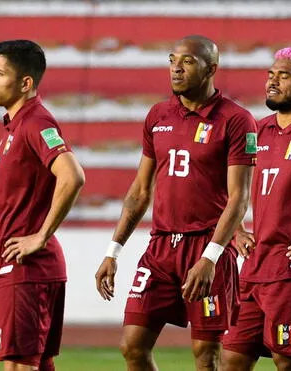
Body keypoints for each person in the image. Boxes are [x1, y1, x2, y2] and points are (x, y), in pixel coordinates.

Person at [95, 35, 256, 371]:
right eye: (172, 59)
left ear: (211, 68)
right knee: (132, 347)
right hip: (160, 248)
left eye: (188, 61)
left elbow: (239, 199)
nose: (176, 68)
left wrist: (211, 258)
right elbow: (140, 190)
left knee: (206, 356)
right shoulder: (157, 115)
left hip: (207, 246)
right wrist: (113, 251)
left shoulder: (237, 120)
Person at [220, 47, 291, 371]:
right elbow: (228, 185)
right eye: (271, 74)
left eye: (284, 76)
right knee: (231, 360)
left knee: (287, 362)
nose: (273, 81)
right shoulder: (256, 130)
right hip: (253, 266)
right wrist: (237, 232)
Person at [0, 40, 85, 371]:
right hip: (20, 271)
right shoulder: (17, 126)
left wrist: (40, 236)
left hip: (28, 269)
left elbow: (72, 176)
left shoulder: (35, 123)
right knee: (38, 365)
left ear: (26, 83)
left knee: (19, 365)